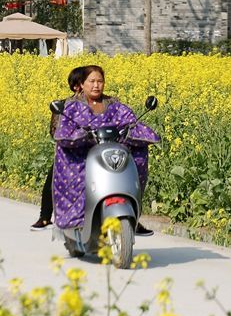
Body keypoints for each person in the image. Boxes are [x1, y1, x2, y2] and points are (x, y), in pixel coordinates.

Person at [52, 65, 160, 236]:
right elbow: (63, 131)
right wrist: (80, 135)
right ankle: (76, 220)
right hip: (83, 153)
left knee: (134, 159)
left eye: (100, 81)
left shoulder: (114, 105)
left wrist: (134, 132)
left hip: (110, 152)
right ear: (82, 83)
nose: (96, 85)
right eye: (92, 81)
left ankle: (132, 214)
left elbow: (130, 122)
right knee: (73, 174)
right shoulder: (72, 107)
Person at [31, 66, 85, 231]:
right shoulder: (63, 106)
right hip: (72, 151)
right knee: (53, 177)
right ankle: (45, 217)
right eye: (88, 82)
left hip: (98, 150)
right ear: (76, 86)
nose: (95, 85)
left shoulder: (104, 103)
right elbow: (55, 131)